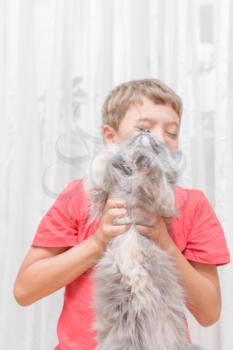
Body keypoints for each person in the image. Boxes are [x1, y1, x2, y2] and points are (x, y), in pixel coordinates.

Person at [13, 79, 230, 350]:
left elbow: (209, 313)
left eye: (172, 132)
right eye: (144, 129)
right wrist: (98, 241)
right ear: (110, 136)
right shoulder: (78, 196)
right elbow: (25, 290)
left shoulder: (193, 205)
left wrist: (164, 241)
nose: (160, 139)